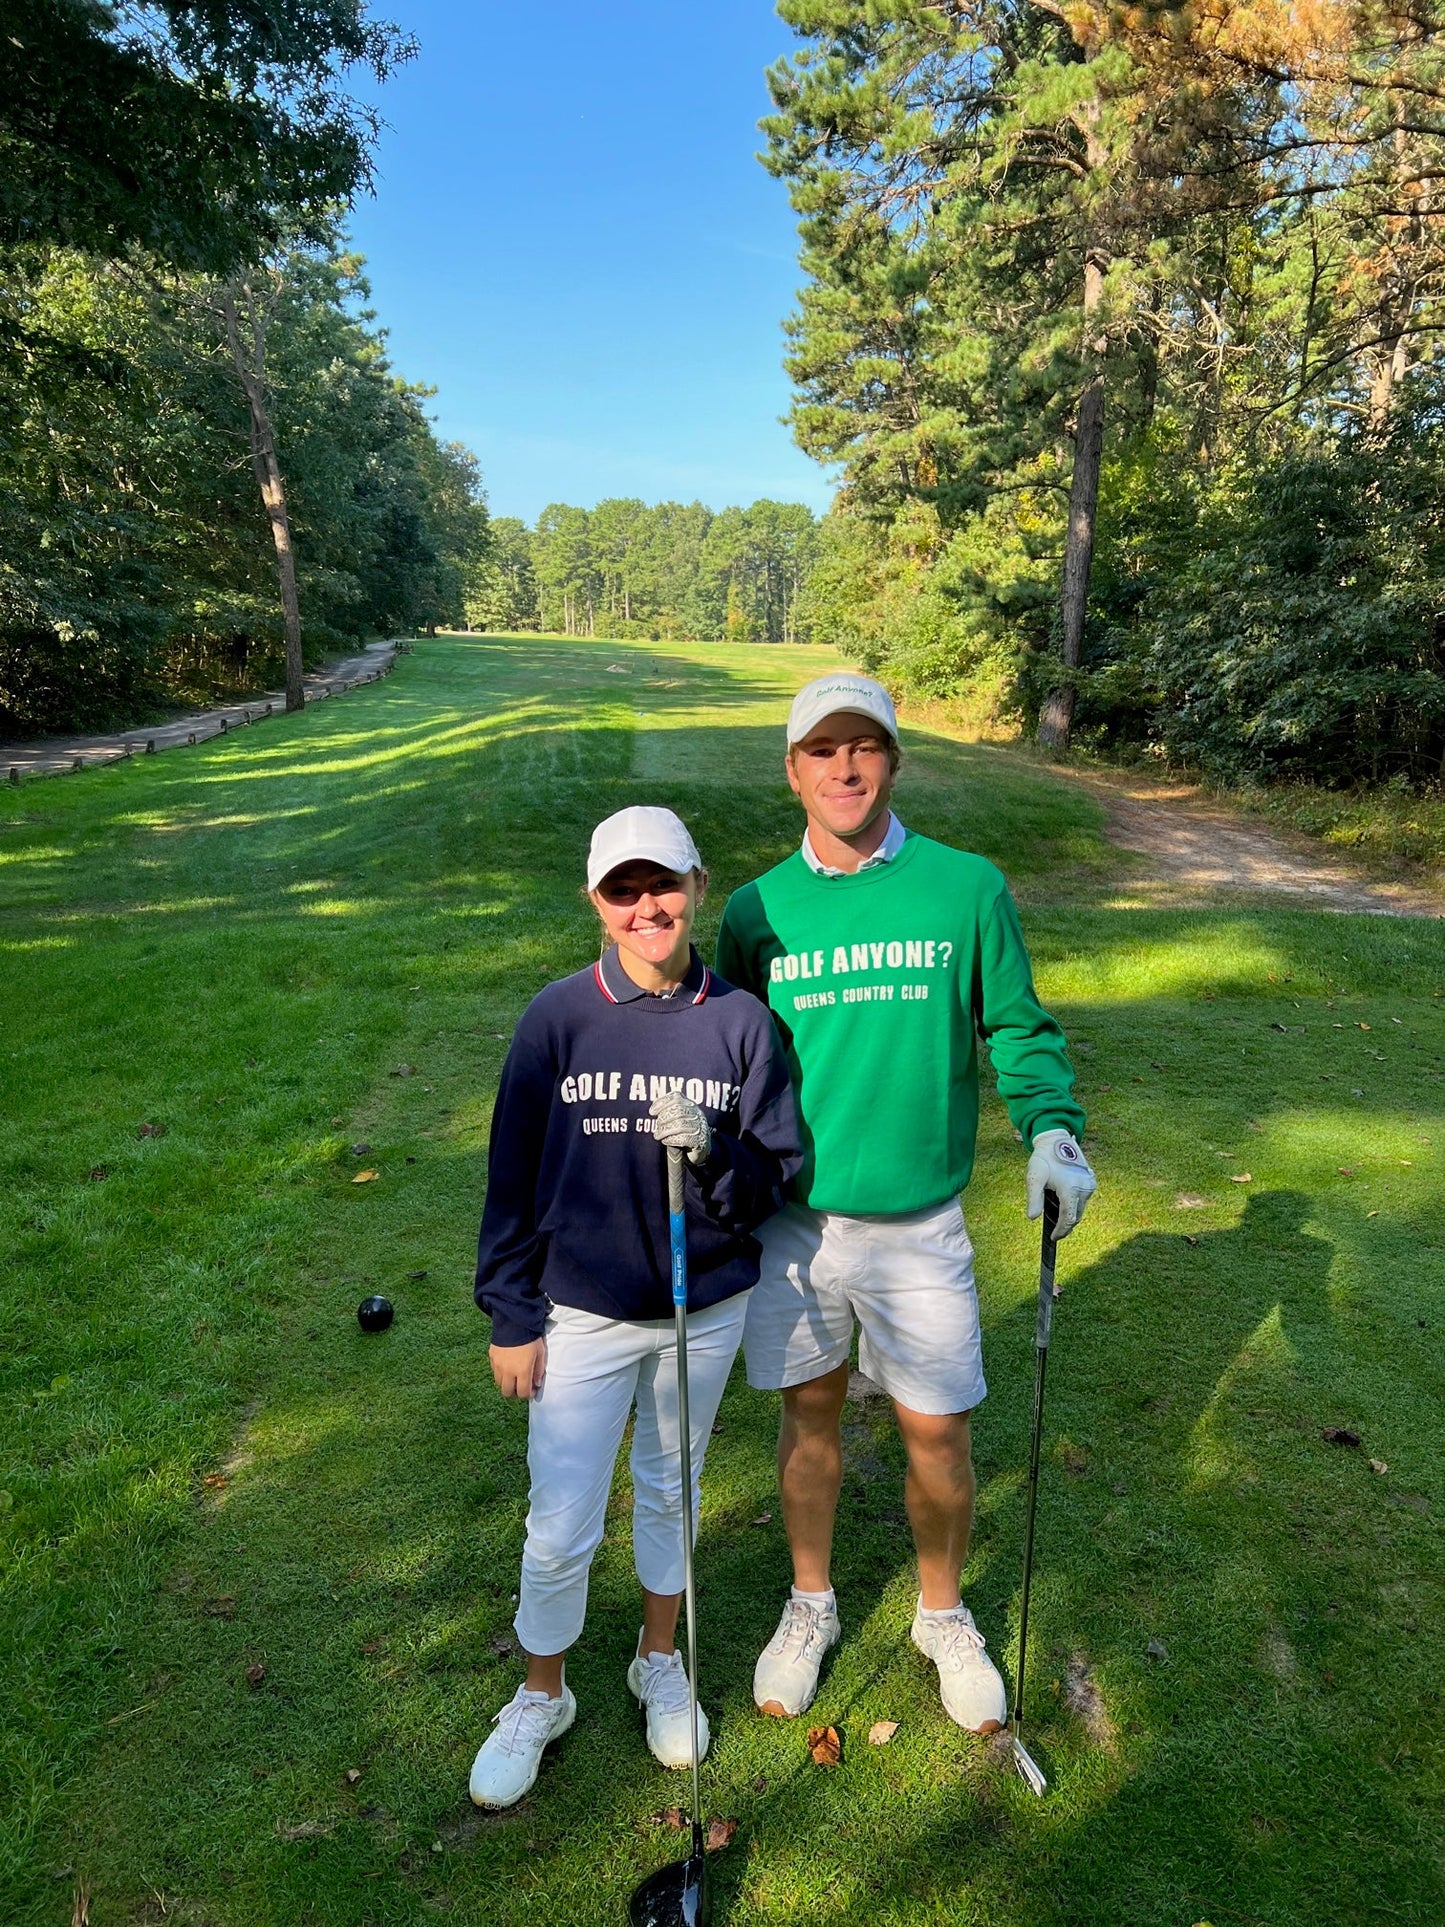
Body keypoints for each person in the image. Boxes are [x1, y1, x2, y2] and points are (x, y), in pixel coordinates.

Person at [714, 673, 1097, 1734]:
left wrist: (1050, 1128)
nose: (844, 767)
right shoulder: (752, 910)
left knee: (938, 1431)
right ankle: (810, 1603)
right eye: (820, 749)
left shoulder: (965, 888)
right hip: (797, 1225)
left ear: (892, 758)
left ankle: (940, 1610)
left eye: (864, 746)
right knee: (809, 1417)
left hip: (921, 1224)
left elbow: (1015, 1028)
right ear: (790, 768)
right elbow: (729, 1053)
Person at [470, 805, 798, 1809]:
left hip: (701, 1309)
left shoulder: (739, 1022)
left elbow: (774, 1175)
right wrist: (510, 1313)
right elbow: (512, 1182)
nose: (645, 905)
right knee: (561, 1517)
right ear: (596, 905)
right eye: (623, 889)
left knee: (669, 1492)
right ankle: (541, 1693)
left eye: (662, 884)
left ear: (697, 886)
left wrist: (713, 1146)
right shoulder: (556, 1018)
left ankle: (657, 1659)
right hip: (581, 1314)